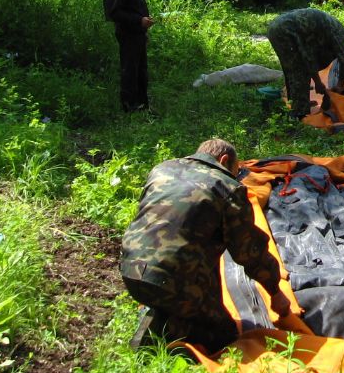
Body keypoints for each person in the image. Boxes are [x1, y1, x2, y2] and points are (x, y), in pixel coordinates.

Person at [121, 138, 294, 350]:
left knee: (181, 297)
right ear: (224, 160)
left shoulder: (162, 169)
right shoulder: (227, 187)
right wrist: (275, 291)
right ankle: (161, 330)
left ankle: (161, 311)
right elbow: (249, 251)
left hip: (131, 271)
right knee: (222, 337)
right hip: (174, 280)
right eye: (236, 170)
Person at [266, 8, 344, 119]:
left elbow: (309, 56)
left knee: (291, 68)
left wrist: (318, 81)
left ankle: (299, 102)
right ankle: (300, 113)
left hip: (277, 26)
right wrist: (338, 85)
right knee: (298, 69)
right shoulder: (341, 36)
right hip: (284, 31)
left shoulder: (330, 31)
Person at [108, 0, 162, 112]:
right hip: (128, 33)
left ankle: (142, 102)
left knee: (141, 69)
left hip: (138, 33)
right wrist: (139, 20)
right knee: (130, 70)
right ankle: (129, 105)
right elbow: (115, 12)